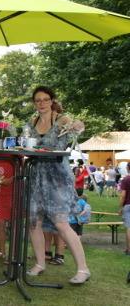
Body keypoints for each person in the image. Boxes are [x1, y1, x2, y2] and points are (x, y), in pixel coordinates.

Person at [25, 86, 90, 284]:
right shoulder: (31, 122)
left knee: (62, 223)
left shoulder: (61, 119)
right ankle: (40, 263)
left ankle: (83, 269)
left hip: (57, 177)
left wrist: (78, 124)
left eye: (45, 99)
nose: (41, 103)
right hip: (36, 175)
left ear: (52, 100)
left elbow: (79, 127)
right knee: (33, 222)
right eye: (38, 100)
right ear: (34, 103)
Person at [119, 162, 130, 256]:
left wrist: (120, 207)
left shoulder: (126, 180)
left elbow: (123, 195)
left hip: (128, 204)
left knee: (129, 227)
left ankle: (129, 249)